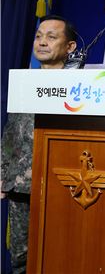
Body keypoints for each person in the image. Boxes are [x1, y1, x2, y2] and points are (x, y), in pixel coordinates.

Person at [1, 15, 77, 274]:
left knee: (58, 255)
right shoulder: (25, 81)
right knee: (21, 259)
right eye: (39, 36)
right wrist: (2, 173)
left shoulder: (80, 87)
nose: (42, 42)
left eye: (52, 37)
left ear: (70, 47)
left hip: (60, 187)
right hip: (21, 186)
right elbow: (12, 132)